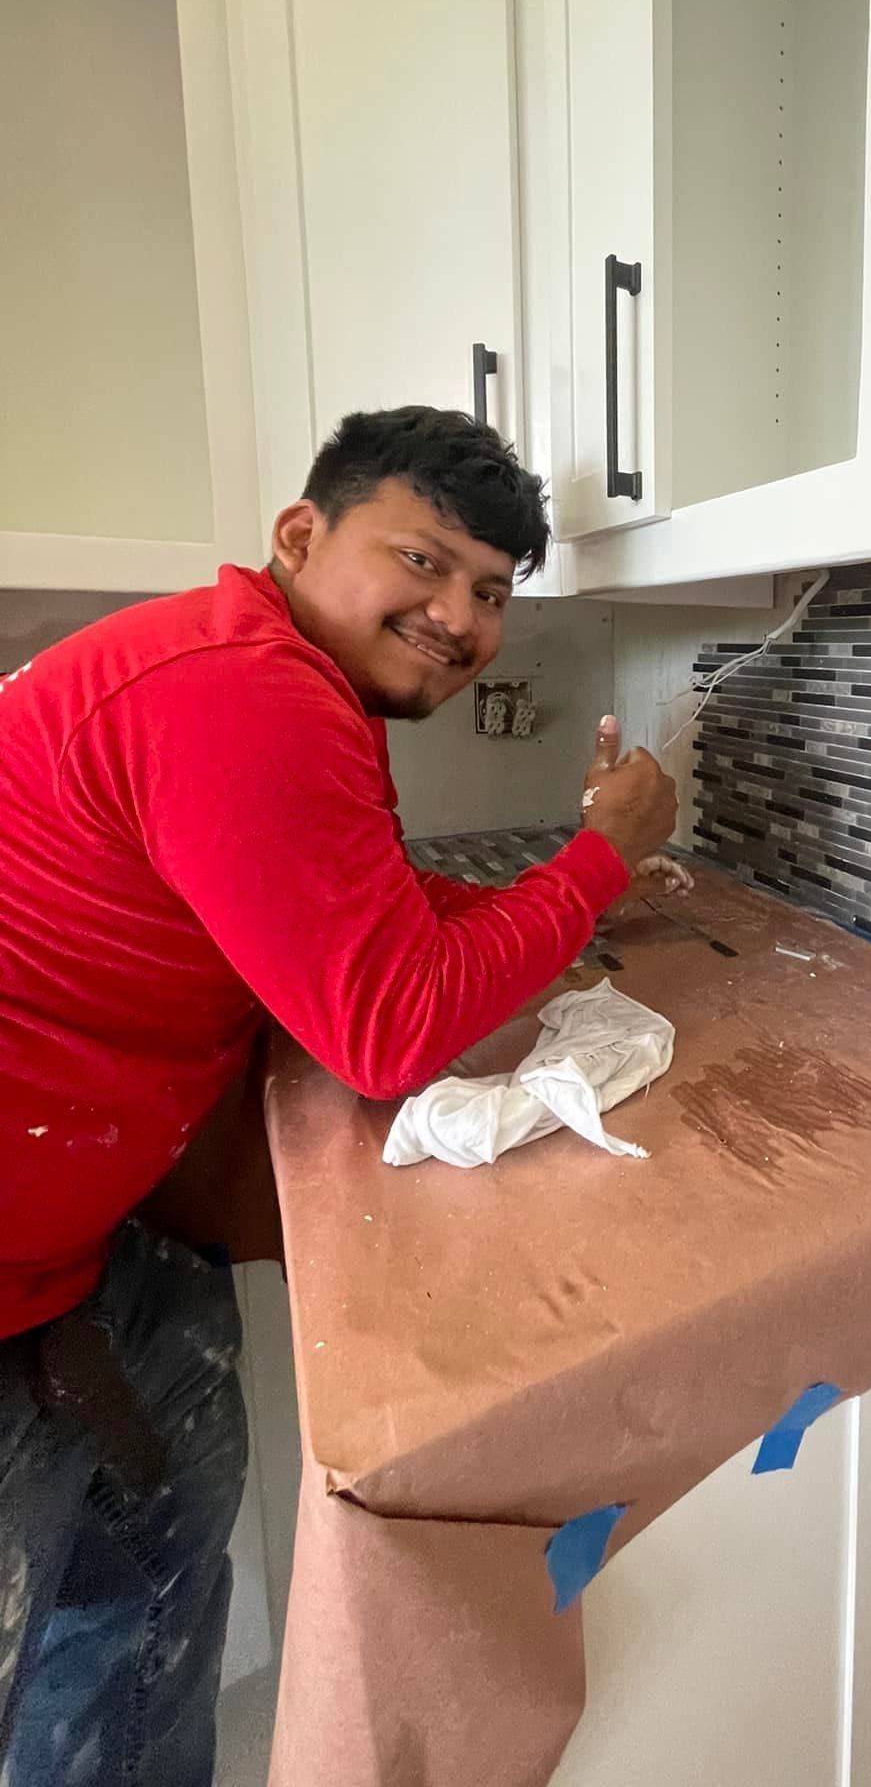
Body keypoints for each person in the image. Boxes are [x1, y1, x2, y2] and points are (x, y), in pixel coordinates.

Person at [0, 406, 677, 1783]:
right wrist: (595, 862)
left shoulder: (267, 673)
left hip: (73, 1255)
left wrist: (557, 899)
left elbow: (357, 905)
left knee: (133, 1626)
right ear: (300, 535)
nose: (459, 616)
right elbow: (385, 1028)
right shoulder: (242, 690)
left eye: (490, 591)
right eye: (422, 562)